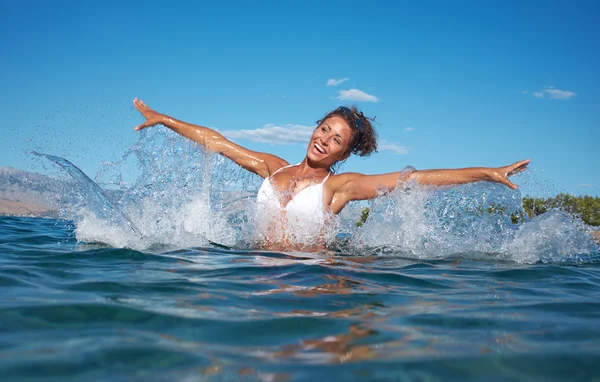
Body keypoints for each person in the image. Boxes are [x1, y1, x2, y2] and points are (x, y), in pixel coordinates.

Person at [133, 98, 529, 250]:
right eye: (324, 129)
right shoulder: (275, 167)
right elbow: (217, 142)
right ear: (315, 127)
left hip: (310, 280)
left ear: (345, 151)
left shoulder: (339, 186)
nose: (324, 140)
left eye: (336, 140)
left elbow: (414, 179)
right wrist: (163, 118)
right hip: (254, 272)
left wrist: (486, 172)